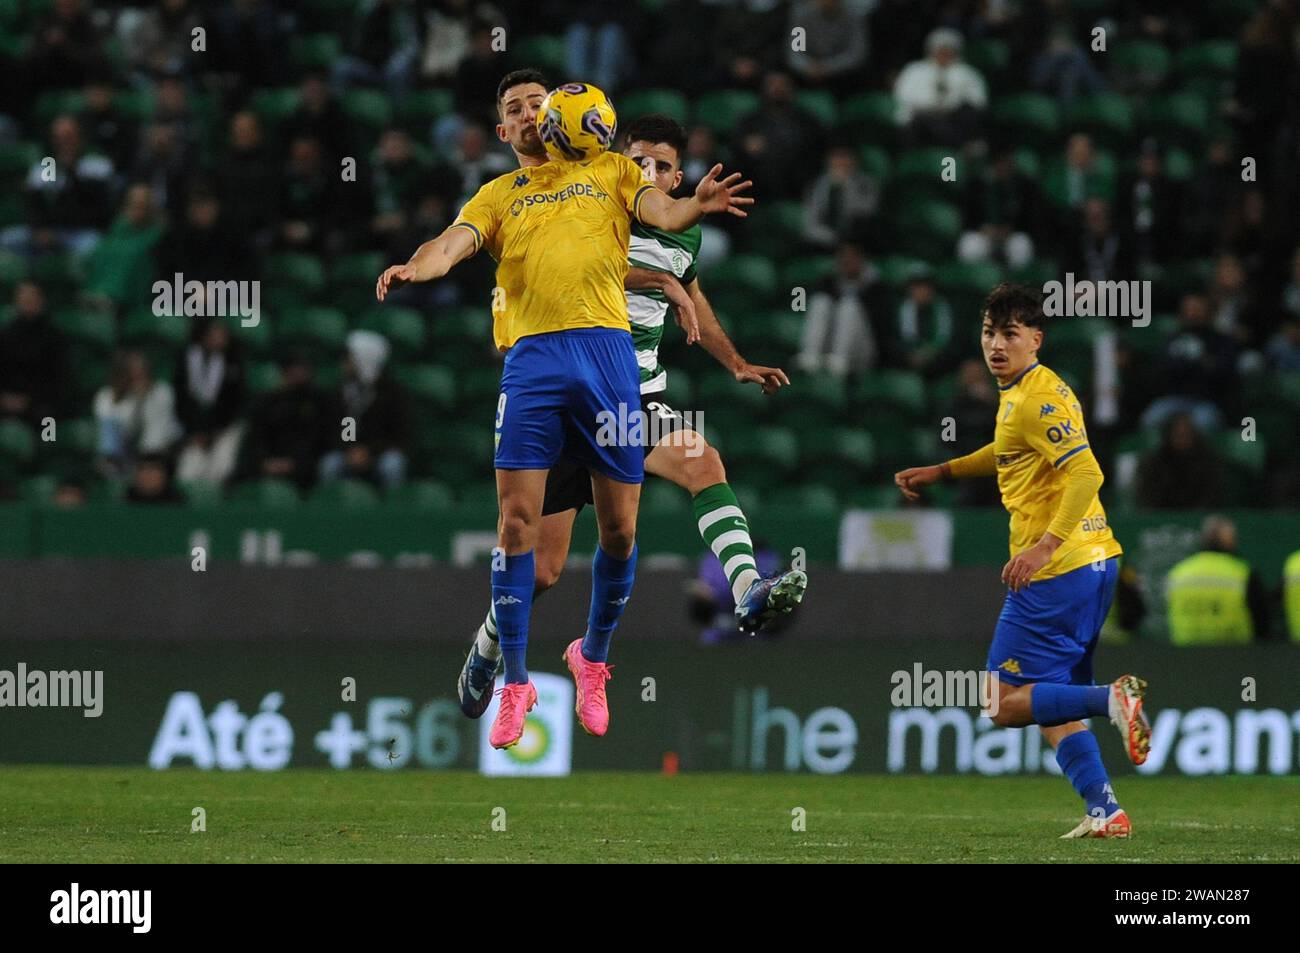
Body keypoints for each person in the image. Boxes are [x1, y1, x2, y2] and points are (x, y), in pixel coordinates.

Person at [375, 70, 754, 750]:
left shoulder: (610, 169)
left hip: (609, 364)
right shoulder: (497, 195)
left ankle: (593, 657)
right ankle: (514, 681)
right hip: (535, 365)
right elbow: (450, 244)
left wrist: (694, 205)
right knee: (518, 530)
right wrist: (415, 267)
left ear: (559, 117)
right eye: (515, 109)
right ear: (505, 130)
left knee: (618, 533)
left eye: (537, 104)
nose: (528, 114)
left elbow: (663, 216)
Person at [454, 113, 806, 719]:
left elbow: (693, 292)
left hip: (631, 398)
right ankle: (489, 644)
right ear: (618, 160)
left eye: (662, 165)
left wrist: (736, 362)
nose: (649, 172)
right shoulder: (593, 203)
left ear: (676, 178)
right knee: (541, 571)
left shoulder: (680, 232)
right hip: (568, 397)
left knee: (703, 464)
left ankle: (746, 587)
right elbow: (591, 271)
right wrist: (661, 281)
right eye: (638, 159)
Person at [894, 283, 1149, 839]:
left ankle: (1114, 698)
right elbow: (1008, 451)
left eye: (1010, 334)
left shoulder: (1034, 398)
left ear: (1037, 338)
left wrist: (1044, 546)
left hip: (1058, 569)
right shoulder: (1028, 392)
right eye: (989, 333)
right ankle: (1105, 809)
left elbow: (1088, 473)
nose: (996, 345)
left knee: (1001, 701)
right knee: (1048, 704)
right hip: (1095, 561)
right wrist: (943, 472)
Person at [1166, 515, 1270, 645]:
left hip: (1185, 656)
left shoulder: (1178, 573)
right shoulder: (1242, 573)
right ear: (1229, 541)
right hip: (1236, 656)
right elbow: (1262, 621)